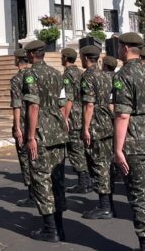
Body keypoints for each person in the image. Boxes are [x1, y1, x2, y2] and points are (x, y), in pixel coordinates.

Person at [112, 32, 145, 250]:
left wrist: (117, 149)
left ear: (125, 48)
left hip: (134, 140)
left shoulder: (123, 75)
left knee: (139, 196)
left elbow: (123, 115)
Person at [23, 40, 68, 242]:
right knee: (57, 180)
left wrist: (31, 136)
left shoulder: (31, 74)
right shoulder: (56, 74)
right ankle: (59, 226)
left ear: (32, 55)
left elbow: (33, 107)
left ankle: (50, 229)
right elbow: (62, 104)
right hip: (57, 132)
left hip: (41, 132)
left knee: (41, 180)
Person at [79, 45, 116, 219]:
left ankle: (105, 206)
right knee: (107, 165)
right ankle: (109, 202)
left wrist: (86, 127)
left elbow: (89, 105)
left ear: (86, 58)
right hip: (108, 123)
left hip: (96, 125)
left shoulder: (88, 76)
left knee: (99, 165)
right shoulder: (106, 75)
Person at [62, 48, 91, 194]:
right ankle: (87, 180)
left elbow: (69, 98)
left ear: (65, 58)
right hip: (83, 114)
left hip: (74, 115)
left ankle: (83, 182)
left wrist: (65, 118)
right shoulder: (81, 72)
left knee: (75, 150)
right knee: (82, 148)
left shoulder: (68, 74)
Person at [10, 48, 35, 207]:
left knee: (26, 158)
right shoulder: (35, 75)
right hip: (40, 122)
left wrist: (17, 127)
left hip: (25, 123)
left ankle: (32, 194)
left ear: (18, 60)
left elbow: (17, 105)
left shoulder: (17, 79)